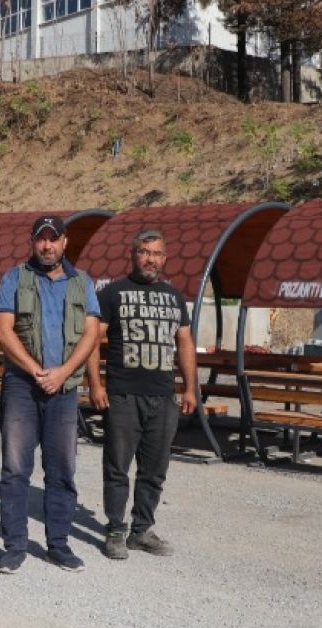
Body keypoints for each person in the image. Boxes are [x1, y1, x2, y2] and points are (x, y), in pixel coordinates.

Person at [0, 215, 101, 574]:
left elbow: (91, 333)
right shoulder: (14, 278)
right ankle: (15, 547)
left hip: (64, 389)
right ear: (33, 242)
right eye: (41, 239)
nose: (47, 245)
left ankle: (59, 545)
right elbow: (3, 331)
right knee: (15, 468)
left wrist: (64, 372)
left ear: (65, 242)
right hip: (22, 386)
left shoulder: (81, 282)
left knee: (61, 469)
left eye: (54, 239)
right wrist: (35, 370)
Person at [86, 229, 198, 560]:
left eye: (156, 253)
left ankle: (141, 530)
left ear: (165, 259)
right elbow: (92, 341)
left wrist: (190, 388)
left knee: (154, 469)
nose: (150, 259)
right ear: (133, 255)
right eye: (144, 252)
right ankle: (116, 530)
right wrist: (95, 384)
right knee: (117, 466)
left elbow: (185, 343)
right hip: (122, 395)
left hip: (163, 397)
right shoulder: (112, 293)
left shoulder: (174, 297)